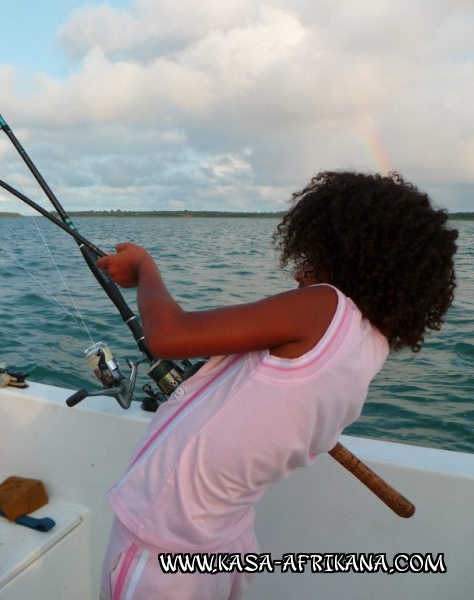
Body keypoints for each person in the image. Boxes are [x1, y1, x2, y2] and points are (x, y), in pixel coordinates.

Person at [95, 170, 458, 599]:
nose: (300, 273)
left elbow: (168, 336)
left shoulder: (324, 306)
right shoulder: (369, 344)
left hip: (162, 551)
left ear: (338, 246)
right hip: (220, 549)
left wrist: (144, 268)